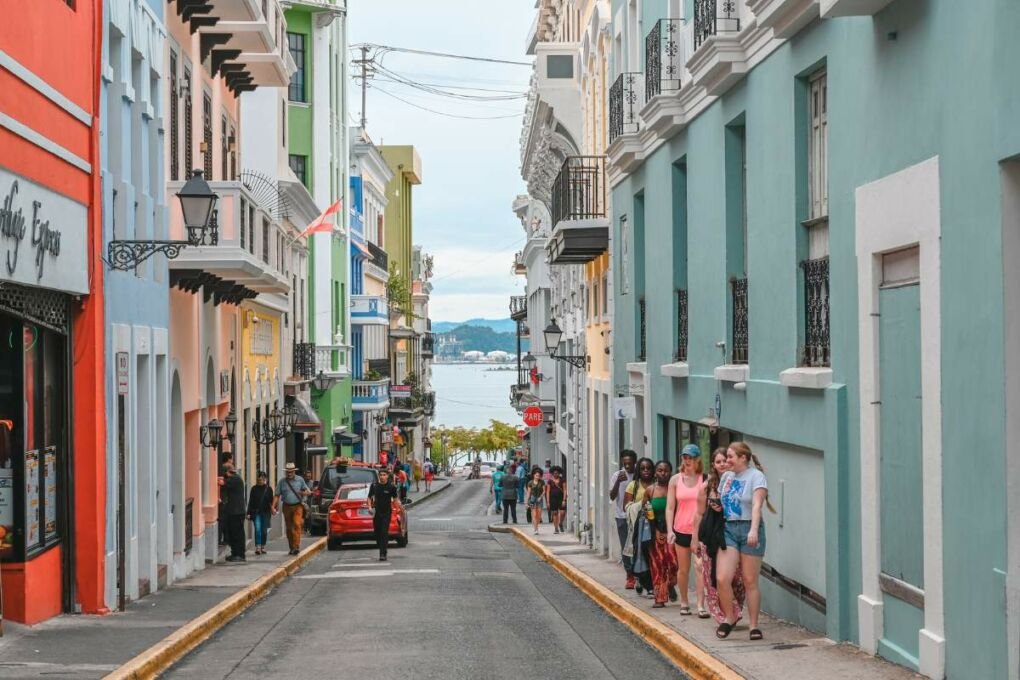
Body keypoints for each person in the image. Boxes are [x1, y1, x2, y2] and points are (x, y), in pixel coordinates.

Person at [715, 442, 774, 641]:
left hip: (749, 527)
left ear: (743, 458)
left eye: (730, 456)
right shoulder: (727, 477)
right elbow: (722, 502)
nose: (726, 461)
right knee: (723, 578)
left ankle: (754, 625)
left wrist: (753, 530)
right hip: (729, 529)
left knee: (750, 581)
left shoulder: (756, 477)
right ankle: (730, 616)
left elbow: (757, 505)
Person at [700, 448, 746, 625]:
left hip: (733, 535)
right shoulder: (707, 486)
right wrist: (695, 540)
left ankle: (735, 609)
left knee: (737, 578)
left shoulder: (739, 481)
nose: (722, 464)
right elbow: (698, 514)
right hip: (712, 536)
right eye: (718, 462)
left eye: (725, 461)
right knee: (714, 578)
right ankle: (725, 615)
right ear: (713, 464)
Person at [667, 444, 708, 617]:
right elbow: (670, 507)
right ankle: (684, 601)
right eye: (685, 457)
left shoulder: (705, 479)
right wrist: (670, 530)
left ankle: (700, 605)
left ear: (698, 459)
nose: (687, 461)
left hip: (699, 531)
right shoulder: (675, 480)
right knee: (683, 569)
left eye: (691, 457)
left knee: (700, 567)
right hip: (681, 529)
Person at [642, 460, 678, 608]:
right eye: (660, 470)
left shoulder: (675, 489)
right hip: (655, 532)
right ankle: (660, 597)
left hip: (673, 532)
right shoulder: (650, 491)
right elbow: (645, 511)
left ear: (671, 472)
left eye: (666, 470)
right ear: (656, 472)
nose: (663, 473)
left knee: (674, 563)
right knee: (657, 565)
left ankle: (670, 583)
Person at [625, 457, 656, 596]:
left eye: (648, 468)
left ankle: (651, 583)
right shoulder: (633, 485)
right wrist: (640, 506)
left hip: (654, 525)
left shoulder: (657, 485)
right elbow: (626, 506)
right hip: (639, 525)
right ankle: (643, 581)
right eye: (643, 468)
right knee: (640, 553)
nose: (646, 471)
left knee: (652, 554)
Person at [609, 450, 637, 589]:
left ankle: (639, 572)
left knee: (638, 545)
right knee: (626, 547)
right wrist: (618, 483)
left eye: (629, 463)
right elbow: (612, 496)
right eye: (625, 463)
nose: (627, 466)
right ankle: (629, 575)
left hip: (637, 516)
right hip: (621, 516)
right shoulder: (617, 476)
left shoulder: (638, 474)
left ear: (634, 462)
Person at [274, 462, 311, 555]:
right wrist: (273, 506)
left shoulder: (300, 480)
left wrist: (303, 493)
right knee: (289, 528)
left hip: (297, 506)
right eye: (288, 472)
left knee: (297, 524)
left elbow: (308, 491)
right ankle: (292, 547)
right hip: (286, 506)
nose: (289, 473)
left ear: (294, 471)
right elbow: (277, 495)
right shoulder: (282, 482)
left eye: (291, 472)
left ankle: (296, 546)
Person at [367, 468, 399, 561]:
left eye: (384, 475)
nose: (382, 477)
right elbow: (369, 497)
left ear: (387, 476)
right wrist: (369, 507)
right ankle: (380, 546)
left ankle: (383, 553)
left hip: (386, 513)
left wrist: (397, 509)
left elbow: (395, 499)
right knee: (377, 532)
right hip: (376, 513)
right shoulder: (374, 486)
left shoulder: (391, 487)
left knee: (384, 532)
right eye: (381, 475)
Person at [221, 463, 247, 562]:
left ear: (227, 472)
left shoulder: (234, 479)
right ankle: (236, 553)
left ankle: (239, 554)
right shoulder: (236, 478)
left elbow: (222, 483)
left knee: (236, 533)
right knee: (235, 533)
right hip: (236, 511)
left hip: (236, 512)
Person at [247, 471, 275, 556]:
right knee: (258, 529)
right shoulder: (254, 489)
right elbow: (250, 501)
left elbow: (271, 501)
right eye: (258, 480)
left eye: (262, 480)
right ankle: (258, 547)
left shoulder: (269, 489)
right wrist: (248, 512)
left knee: (264, 531)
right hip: (256, 512)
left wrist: (273, 509)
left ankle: (263, 545)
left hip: (266, 512)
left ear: (265, 479)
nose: (260, 481)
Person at [526, 467, 546, 534]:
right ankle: (536, 529)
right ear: (533, 475)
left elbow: (544, 491)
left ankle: (536, 525)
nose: (537, 477)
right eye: (536, 475)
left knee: (539, 515)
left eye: (539, 475)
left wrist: (540, 497)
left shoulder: (542, 482)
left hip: (539, 499)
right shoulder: (530, 483)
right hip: (532, 499)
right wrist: (526, 502)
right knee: (534, 515)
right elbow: (528, 492)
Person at [548, 466, 567, 534]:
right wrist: (548, 501)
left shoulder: (562, 480)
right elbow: (548, 491)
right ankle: (556, 528)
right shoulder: (550, 481)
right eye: (554, 473)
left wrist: (564, 500)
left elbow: (564, 490)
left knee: (562, 512)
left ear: (559, 473)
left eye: (557, 473)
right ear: (552, 474)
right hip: (553, 499)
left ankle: (560, 523)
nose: (556, 474)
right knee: (555, 513)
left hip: (561, 498)